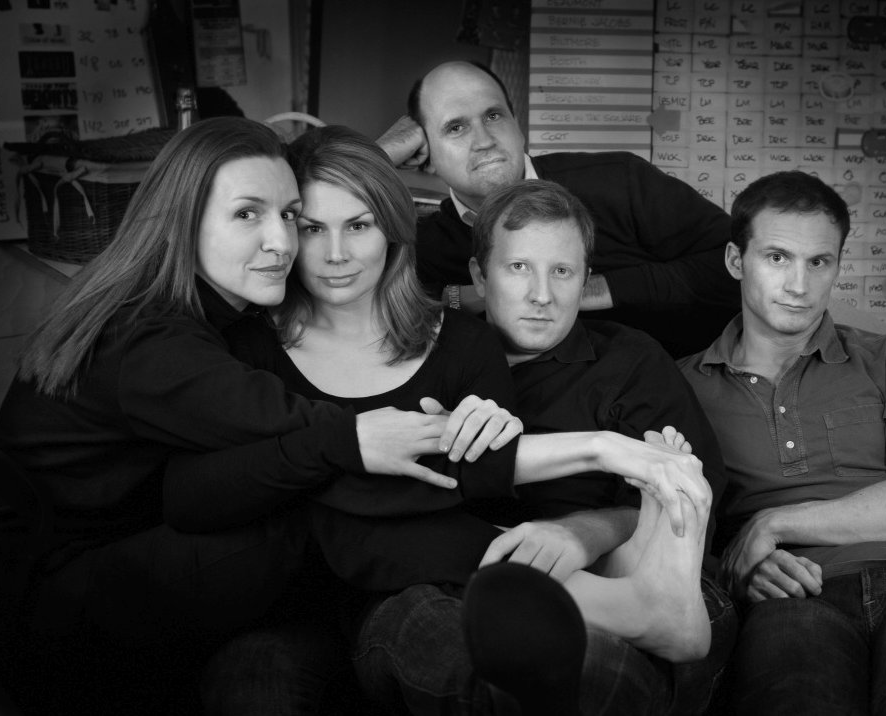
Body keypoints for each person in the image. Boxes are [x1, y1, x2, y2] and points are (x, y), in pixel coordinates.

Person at [163, 131, 726, 714]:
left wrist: (510, 453)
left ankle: (627, 596)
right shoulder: (245, 347)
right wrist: (345, 449)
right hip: (295, 590)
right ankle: (619, 601)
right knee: (261, 674)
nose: (336, 254)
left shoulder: (462, 340)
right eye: (312, 228)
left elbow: (477, 481)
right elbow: (191, 495)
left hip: (420, 585)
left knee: (541, 669)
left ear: (391, 229)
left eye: (358, 225)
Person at [0, 117, 517, 715]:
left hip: (106, 566)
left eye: (289, 214)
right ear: (184, 219)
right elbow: (303, 425)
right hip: (54, 614)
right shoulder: (152, 341)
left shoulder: (183, 303)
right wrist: (369, 436)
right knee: (305, 507)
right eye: (247, 214)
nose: (283, 242)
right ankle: (524, 570)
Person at [351, 179, 737, 715]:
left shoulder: (629, 361)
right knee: (436, 621)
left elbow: (706, 503)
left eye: (562, 271)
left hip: (616, 570)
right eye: (518, 268)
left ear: (585, 280)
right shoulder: (425, 363)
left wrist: (586, 532)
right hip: (447, 579)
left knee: (594, 663)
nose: (542, 295)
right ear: (479, 276)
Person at [678, 170, 886, 715]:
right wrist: (735, 565)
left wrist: (773, 524)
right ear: (734, 261)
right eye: (777, 258)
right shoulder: (681, 384)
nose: (799, 284)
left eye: (819, 262)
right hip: (795, 592)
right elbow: (671, 527)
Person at [377, 60, 741, 358]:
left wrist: (583, 291)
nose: (484, 141)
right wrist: (376, 158)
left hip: (672, 399)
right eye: (455, 128)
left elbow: (736, 267)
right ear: (426, 153)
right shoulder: (424, 244)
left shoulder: (620, 181)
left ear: (519, 128)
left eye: (493, 116)